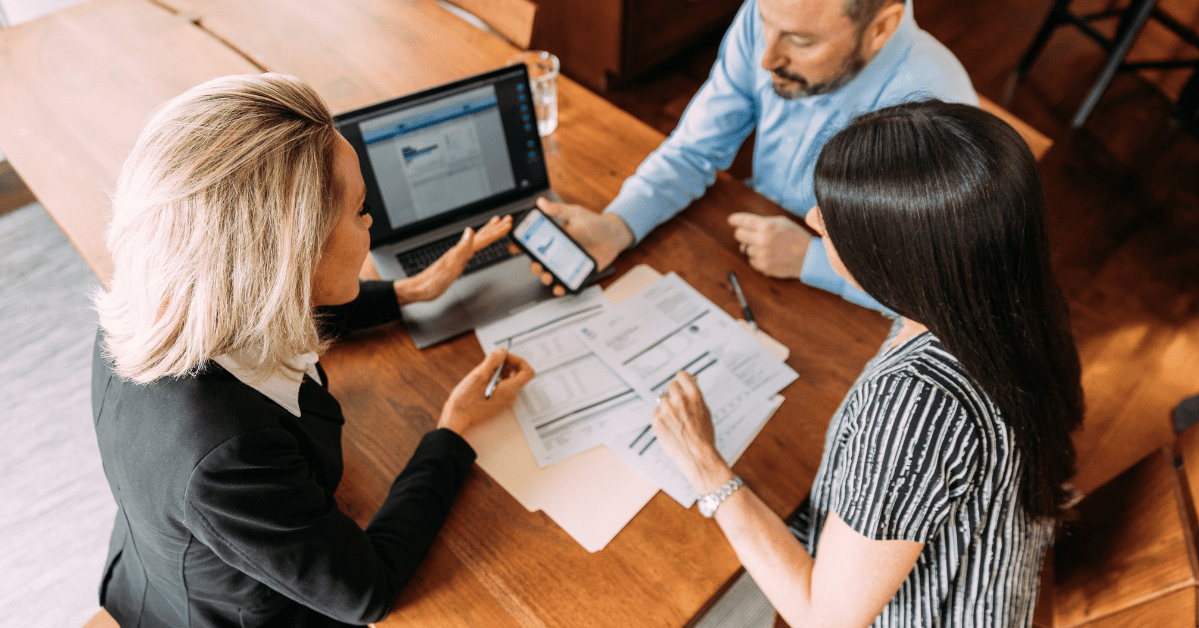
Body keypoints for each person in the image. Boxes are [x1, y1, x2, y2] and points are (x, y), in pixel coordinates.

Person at [91, 73, 534, 628]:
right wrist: (454, 431)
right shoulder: (230, 456)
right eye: (358, 210)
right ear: (291, 257)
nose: (370, 221)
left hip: (161, 558)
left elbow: (274, 303)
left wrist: (407, 292)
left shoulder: (150, 300)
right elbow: (367, 593)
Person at [650, 100, 1084, 627]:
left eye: (833, 223)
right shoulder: (1006, 295)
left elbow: (826, 618)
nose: (811, 220)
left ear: (894, 264)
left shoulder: (916, 411)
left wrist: (704, 465)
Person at [527, 0, 976, 310]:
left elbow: (944, 288)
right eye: (764, 22)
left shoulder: (939, 114)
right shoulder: (772, 17)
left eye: (801, 41)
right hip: (747, 255)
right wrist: (616, 225)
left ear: (880, 28)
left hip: (851, 310)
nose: (766, 58)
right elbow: (695, 149)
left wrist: (811, 260)